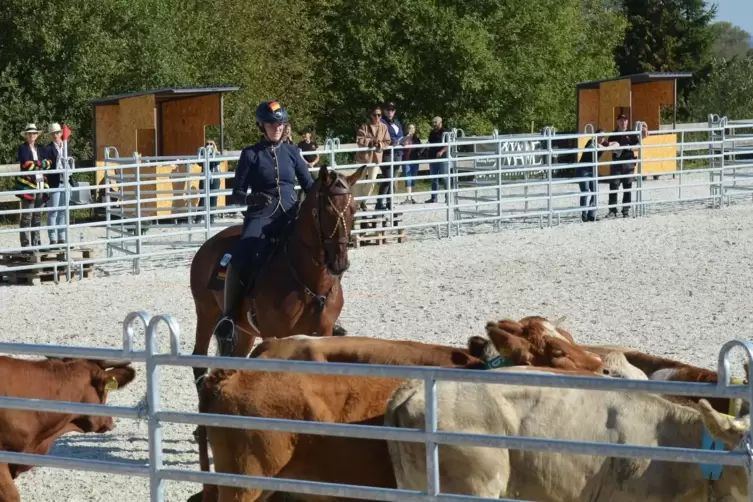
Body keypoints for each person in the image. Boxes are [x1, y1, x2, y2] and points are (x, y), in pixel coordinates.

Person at [213, 100, 315, 341]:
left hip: (291, 214)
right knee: (241, 254)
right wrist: (253, 198)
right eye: (271, 124)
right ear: (262, 126)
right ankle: (228, 316)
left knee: (318, 252)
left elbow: (309, 185)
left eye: (279, 124)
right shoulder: (250, 154)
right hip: (261, 215)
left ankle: (325, 309)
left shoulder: (292, 152)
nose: (276, 128)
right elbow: (236, 195)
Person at [15, 123, 50, 251]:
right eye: (30, 134)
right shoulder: (22, 148)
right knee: (27, 215)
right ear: (26, 135)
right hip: (28, 185)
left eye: (34, 133)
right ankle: (25, 244)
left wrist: (36, 164)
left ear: (37, 135)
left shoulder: (41, 148)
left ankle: (36, 242)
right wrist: (41, 164)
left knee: (38, 215)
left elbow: (49, 163)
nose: (32, 136)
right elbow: (26, 164)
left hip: (40, 182)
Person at [606, 114, 648, 218]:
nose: (623, 122)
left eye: (625, 120)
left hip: (628, 163)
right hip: (617, 163)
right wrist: (618, 148)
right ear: (617, 122)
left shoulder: (632, 134)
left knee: (627, 187)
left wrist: (629, 148)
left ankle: (626, 210)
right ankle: (612, 210)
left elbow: (638, 146)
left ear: (627, 122)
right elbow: (610, 147)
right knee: (613, 186)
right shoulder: (613, 134)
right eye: (621, 120)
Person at [576, 129, 618, 222]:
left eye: (603, 136)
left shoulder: (603, 143)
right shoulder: (591, 142)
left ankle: (591, 214)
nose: (601, 138)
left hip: (592, 170)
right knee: (586, 191)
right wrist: (607, 148)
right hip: (583, 169)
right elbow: (598, 147)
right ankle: (584, 214)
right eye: (599, 136)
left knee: (595, 192)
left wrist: (608, 147)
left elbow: (617, 144)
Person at [354, 106, 391, 210]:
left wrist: (380, 144)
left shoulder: (384, 127)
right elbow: (359, 140)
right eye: (375, 115)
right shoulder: (364, 126)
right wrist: (370, 142)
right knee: (359, 181)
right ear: (371, 115)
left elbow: (387, 141)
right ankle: (357, 203)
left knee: (372, 182)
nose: (377, 117)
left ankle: (362, 201)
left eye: (379, 115)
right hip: (363, 158)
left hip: (376, 159)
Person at [376, 102, 404, 211]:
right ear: (384, 111)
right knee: (388, 178)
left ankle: (389, 202)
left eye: (392, 110)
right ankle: (379, 202)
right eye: (388, 109)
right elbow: (382, 136)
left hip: (398, 153)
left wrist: (402, 141)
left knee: (392, 178)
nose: (390, 111)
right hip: (387, 153)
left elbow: (400, 135)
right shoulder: (381, 122)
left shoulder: (397, 123)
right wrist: (393, 142)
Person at [44, 123, 67, 245]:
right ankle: (53, 238)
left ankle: (62, 237)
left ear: (61, 133)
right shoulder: (47, 149)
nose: (55, 135)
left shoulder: (67, 146)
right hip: (54, 181)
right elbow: (46, 165)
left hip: (66, 180)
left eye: (57, 133)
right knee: (53, 211)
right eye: (52, 134)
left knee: (63, 210)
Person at [426, 116, 449, 204]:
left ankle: (447, 196)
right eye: (433, 123)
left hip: (442, 158)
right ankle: (434, 197)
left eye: (436, 123)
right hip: (432, 157)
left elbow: (448, 144)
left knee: (444, 178)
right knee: (433, 178)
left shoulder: (445, 132)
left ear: (440, 122)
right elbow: (430, 142)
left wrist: (441, 151)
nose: (434, 125)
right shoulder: (432, 133)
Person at [399, 124, 424, 204]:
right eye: (409, 128)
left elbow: (420, 148)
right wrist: (407, 136)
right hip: (407, 161)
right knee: (408, 179)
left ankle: (411, 198)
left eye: (413, 128)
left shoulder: (416, 139)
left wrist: (420, 152)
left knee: (413, 179)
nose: (411, 129)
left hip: (415, 161)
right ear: (407, 129)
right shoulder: (404, 138)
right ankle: (408, 198)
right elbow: (401, 143)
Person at [197, 140, 221, 223]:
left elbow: (215, 162)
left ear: (214, 146)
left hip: (215, 179)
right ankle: (198, 218)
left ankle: (211, 218)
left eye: (211, 144)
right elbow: (199, 163)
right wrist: (201, 153)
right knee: (203, 197)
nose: (209, 145)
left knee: (213, 198)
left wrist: (212, 153)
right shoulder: (203, 154)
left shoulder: (217, 154)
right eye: (207, 144)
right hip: (204, 178)